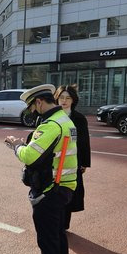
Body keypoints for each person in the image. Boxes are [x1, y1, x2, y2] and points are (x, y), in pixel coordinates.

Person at [5, 84, 78, 254]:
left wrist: (15, 145)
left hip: (50, 191)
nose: (33, 112)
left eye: (33, 108)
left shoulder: (51, 125)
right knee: (58, 238)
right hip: (65, 186)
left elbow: (29, 156)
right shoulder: (66, 120)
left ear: (39, 102)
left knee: (48, 244)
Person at [53, 84, 91, 230]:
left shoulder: (79, 119)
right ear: (56, 99)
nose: (64, 101)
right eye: (61, 97)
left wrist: (85, 163)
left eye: (68, 98)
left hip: (72, 163)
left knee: (68, 193)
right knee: (53, 192)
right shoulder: (51, 116)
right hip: (54, 162)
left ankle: (64, 224)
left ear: (73, 100)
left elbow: (84, 142)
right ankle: (55, 222)